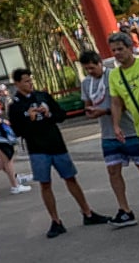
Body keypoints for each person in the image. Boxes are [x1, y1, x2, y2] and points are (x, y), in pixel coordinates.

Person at [8, 68, 109, 238]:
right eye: (25, 81)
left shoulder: (42, 96)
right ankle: (55, 220)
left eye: (30, 80)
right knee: (45, 184)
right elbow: (17, 131)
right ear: (17, 83)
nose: (29, 83)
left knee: (71, 178)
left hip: (56, 144)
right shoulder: (15, 106)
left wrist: (49, 113)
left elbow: (61, 115)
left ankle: (87, 212)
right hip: (37, 149)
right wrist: (29, 119)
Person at [80, 49, 139, 228]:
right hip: (108, 133)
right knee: (113, 170)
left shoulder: (114, 76)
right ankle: (124, 209)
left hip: (130, 130)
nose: (90, 72)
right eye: (86, 69)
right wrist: (91, 112)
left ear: (99, 63)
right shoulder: (86, 83)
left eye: (92, 68)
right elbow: (87, 105)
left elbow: (123, 103)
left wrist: (105, 111)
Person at [107, 31, 139, 222]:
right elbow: (116, 102)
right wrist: (116, 125)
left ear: (130, 48)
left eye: (120, 49)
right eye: (114, 50)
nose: (117, 53)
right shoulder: (115, 76)